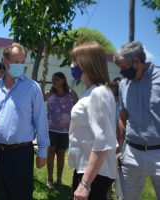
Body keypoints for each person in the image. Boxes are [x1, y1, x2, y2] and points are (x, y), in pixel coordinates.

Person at [0, 43, 49, 200]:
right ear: (4, 60)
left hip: (21, 154)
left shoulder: (33, 88)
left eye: (22, 62)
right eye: (15, 61)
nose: (19, 66)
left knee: (21, 195)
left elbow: (41, 120)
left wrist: (43, 151)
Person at [68, 41, 117, 200]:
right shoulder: (94, 91)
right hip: (90, 170)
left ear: (86, 63)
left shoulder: (98, 93)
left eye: (74, 60)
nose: (72, 64)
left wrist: (85, 184)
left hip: (94, 175)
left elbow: (102, 141)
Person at [114, 41, 160, 200]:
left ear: (137, 61)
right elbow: (122, 117)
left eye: (124, 68)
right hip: (131, 153)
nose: (122, 72)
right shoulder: (123, 85)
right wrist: (119, 148)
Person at [44, 72, 78, 190]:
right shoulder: (49, 94)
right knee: (51, 153)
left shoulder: (71, 93)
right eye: (53, 79)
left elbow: (79, 107)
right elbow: (38, 102)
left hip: (65, 131)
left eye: (57, 79)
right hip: (51, 129)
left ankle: (59, 180)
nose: (54, 81)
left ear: (63, 80)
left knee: (61, 155)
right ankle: (49, 179)